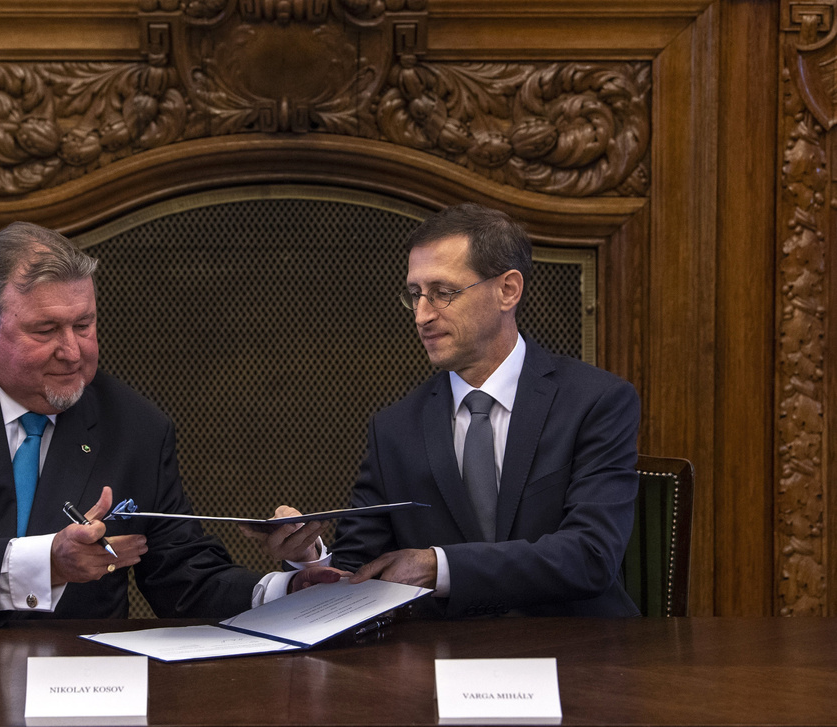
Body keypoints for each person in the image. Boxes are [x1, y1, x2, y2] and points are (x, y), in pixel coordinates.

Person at [0, 221, 335, 623]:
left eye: (84, 325)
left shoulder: (135, 426)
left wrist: (290, 587)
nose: (72, 352)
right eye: (46, 329)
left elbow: (185, 581)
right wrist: (47, 562)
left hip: (72, 691)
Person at [244, 202, 642, 617]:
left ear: (508, 289)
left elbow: (592, 554)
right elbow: (358, 570)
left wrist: (439, 567)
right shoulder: (394, 428)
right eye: (414, 295)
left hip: (578, 657)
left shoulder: (596, 401)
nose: (421, 315)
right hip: (439, 660)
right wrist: (311, 555)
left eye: (442, 293)